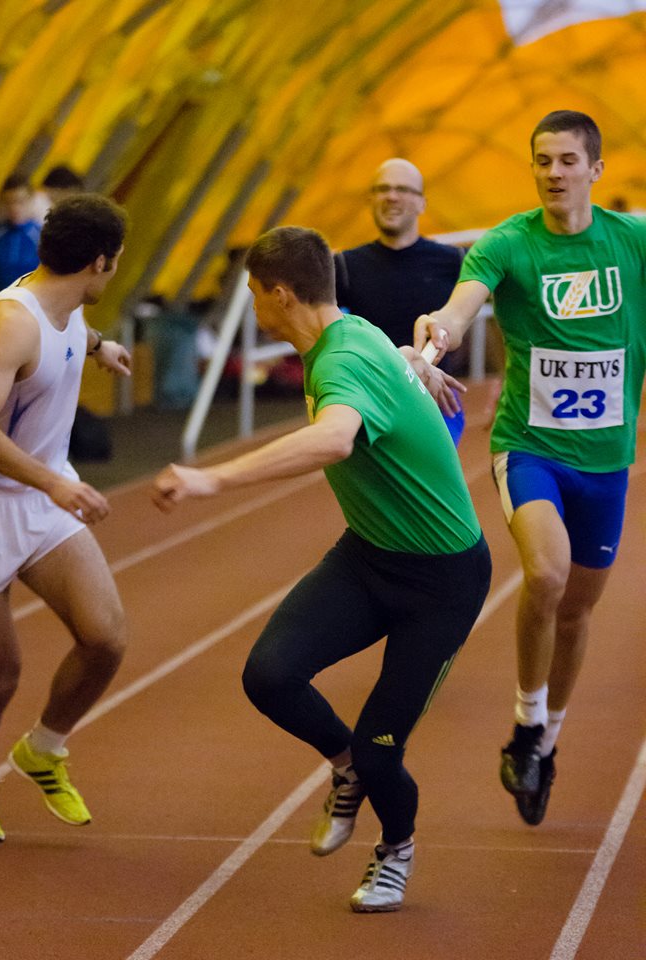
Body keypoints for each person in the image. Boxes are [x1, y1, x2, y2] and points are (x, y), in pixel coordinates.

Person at [152, 225, 491, 912]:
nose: (253, 306)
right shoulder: (351, 335)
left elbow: (335, 438)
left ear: (281, 294)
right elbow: (386, 357)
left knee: (381, 748)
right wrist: (412, 363)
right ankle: (346, 768)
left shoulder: (341, 360)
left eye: (255, 293)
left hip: (442, 583)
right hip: (368, 557)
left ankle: (395, 849)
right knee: (270, 676)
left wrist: (213, 479)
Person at [414, 109, 646, 827]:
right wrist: (438, 334)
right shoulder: (508, 244)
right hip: (530, 448)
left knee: (576, 611)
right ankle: (524, 719)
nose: (554, 173)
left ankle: (545, 742)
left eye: (568, 160)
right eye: (543, 160)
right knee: (547, 573)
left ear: (595, 169)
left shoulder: (631, 242)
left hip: (606, 462)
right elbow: (461, 307)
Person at [0, 194, 132, 842]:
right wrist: (54, 482)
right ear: (100, 262)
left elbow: (68, 333)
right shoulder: (11, 323)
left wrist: (100, 346)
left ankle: (43, 749)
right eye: (116, 263)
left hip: (42, 501)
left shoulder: (66, 303)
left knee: (105, 638)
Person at [335, 158, 465, 443]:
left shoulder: (454, 261)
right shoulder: (345, 265)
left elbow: (502, 315)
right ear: (371, 200)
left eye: (402, 189)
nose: (391, 196)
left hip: (435, 402)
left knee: (430, 472)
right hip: (371, 402)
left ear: (422, 203)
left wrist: (505, 387)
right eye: (383, 189)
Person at [0, 173, 41, 308]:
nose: (15, 208)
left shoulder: (43, 237)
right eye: (9, 202)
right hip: (0, 309)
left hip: (34, 310)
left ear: (31, 200)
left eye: (20, 201)